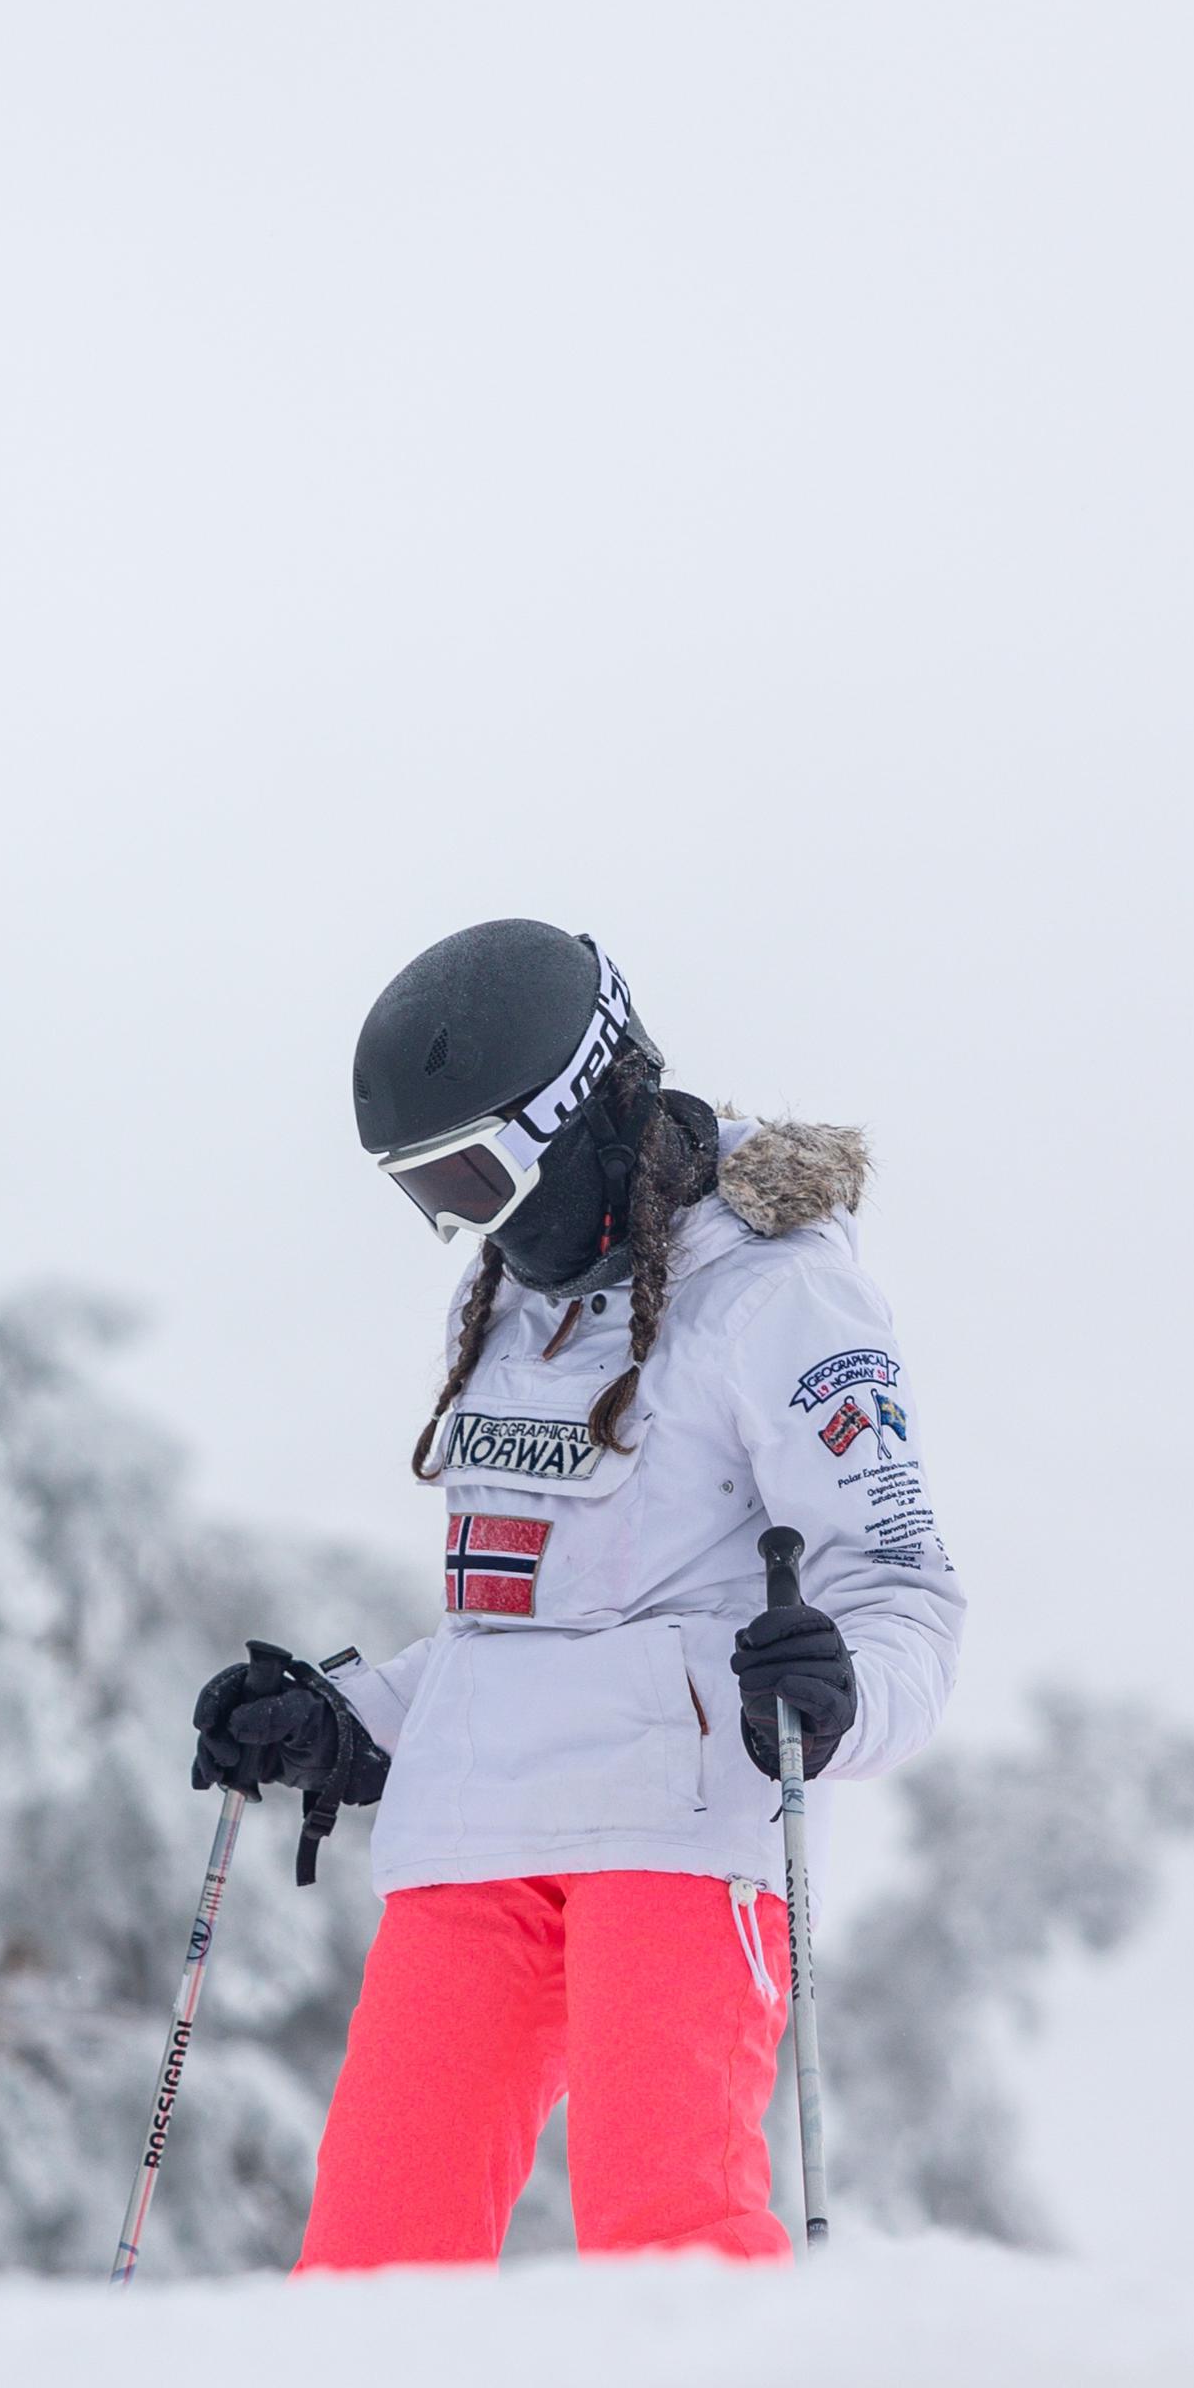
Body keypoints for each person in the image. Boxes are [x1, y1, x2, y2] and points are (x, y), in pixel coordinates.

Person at [194, 921, 962, 2266]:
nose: (466, 1224)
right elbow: (522, 1629)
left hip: (677, 1819)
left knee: (666, 2240)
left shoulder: (780, 1297)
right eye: (426, 1190)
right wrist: (353, 1716)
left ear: (589, 1110)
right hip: (477, 1823)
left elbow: (901, 1590)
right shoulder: (496, 1306)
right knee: (370, 2258)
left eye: (478, 1175)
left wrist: (839, 1699)